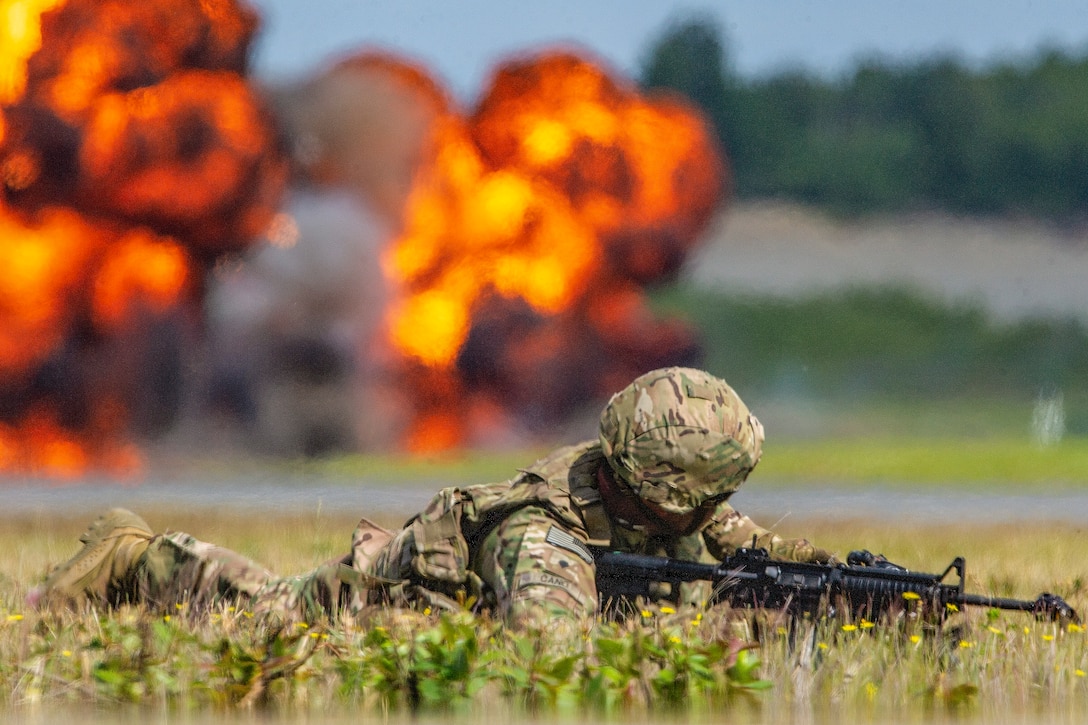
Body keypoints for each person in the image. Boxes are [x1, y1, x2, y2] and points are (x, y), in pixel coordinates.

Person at [30, 367, 834, 627]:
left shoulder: (648, 492)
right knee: (260, 607)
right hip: (383, 603)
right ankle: (129, 552)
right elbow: (554, 674)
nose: (721, 502)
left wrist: (838, 582)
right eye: (712, 488)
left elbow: (746, 544)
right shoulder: (543, 545)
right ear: (661, 492)